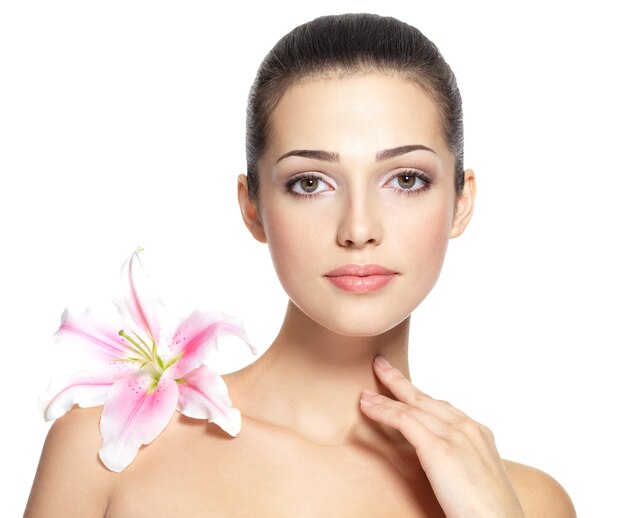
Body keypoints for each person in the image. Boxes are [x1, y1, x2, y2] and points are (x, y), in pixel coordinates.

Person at [25, 13, 576, 517]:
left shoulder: (526, 501)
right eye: (309, 183)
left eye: (406, 179)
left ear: (461, 201)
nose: (359, 229)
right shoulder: (108, 448)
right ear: (253, 206)